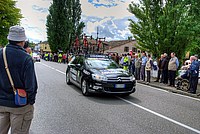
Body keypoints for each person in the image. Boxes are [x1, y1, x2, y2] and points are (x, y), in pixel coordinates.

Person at [0, 25, 38, 133]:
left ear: (9, 38)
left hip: (1, 104)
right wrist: (30, 102)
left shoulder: (0, 54)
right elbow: (31, 86)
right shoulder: (26, 58)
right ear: (22, 41)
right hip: (20, 106)